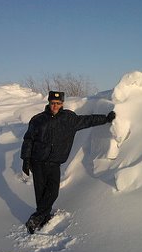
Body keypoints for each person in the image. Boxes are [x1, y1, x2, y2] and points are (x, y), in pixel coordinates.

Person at [20, 91, 116, 233]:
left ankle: (36, 217)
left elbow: (88, 120)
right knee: (40, 193)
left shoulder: (69, 118)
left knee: (53, 192)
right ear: (49, 102)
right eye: (53, 103)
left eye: (58, 103)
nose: (55, 106)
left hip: (55, 163)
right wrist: (26, 159)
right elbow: (28, 140)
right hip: (38, 161)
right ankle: (43, 217)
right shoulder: (37, 120)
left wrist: (106, 119)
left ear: (62, 104)